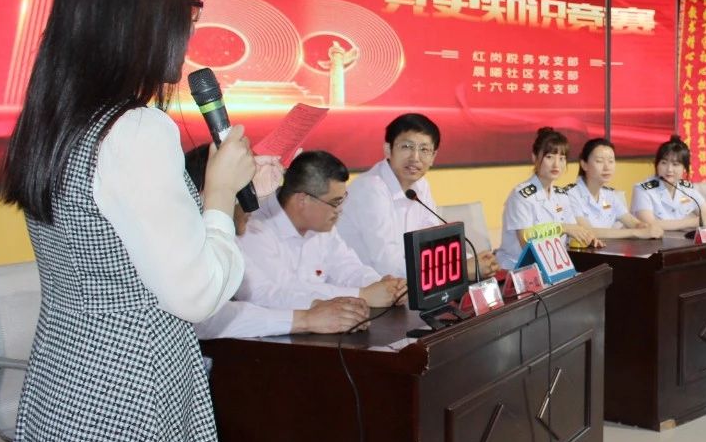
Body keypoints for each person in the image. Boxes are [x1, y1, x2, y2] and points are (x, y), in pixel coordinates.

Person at [0, 0, 254, 442]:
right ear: (141, 16)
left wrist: (222, 201)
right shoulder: (136, 129)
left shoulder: (56, 119)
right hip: (131, 388)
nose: (189, 29)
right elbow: (194, 293)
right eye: (188, 10)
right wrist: (219, 194)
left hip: (66, 373)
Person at [183, 145, 369, 339]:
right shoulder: (188, 243)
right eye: (247, 189)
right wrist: (306, 318)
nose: (256, 203)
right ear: (209, 192)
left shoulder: (225, 235)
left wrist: (319, 310)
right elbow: (207, 320)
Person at [236, 151, 407, 310]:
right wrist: (362, 295)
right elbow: (282, 292)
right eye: (335, 202)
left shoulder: (321, 226)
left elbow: (349, 269)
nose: (340, 210)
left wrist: (384, 286)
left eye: (342, 200)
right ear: (303, 200)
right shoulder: (253, 228)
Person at [339, 112, 498, 279]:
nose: (415, 158)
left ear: (433, 157)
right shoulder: (370, 188)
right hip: (363, 287)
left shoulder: (421, 186)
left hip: (403, 284)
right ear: (388, 149)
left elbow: (434, 243)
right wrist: (461, 269)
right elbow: (387, 264)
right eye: (407, 147)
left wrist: (471, 260)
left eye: (424, 149)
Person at [495, 127, 602, 270]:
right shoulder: (521, 196)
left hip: (553, 268)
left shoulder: (561, 195)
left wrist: (586, 238)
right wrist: (562, 228)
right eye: (549, 157)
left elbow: (572, 233)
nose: (556, 164)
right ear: (535, 157)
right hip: (520, 270)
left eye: (562, 158)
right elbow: (526, 242)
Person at [566, 138, 663, 239]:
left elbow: (632, 222)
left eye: (611, 161)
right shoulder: (571, 195)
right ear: (584, 165)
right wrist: (636, 232)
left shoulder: (610, 195)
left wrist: (646, 227)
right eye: (599, 161)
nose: (607, 167)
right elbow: (587, 232)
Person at [631, 135, 706, 230]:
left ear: (684, 168)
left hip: (681, 238)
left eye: (675, 164)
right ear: (657, 165)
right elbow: (649, 224)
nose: (669, 169)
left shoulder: (687, 190)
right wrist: (693, 222)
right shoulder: (643, 190)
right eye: (664, 163)